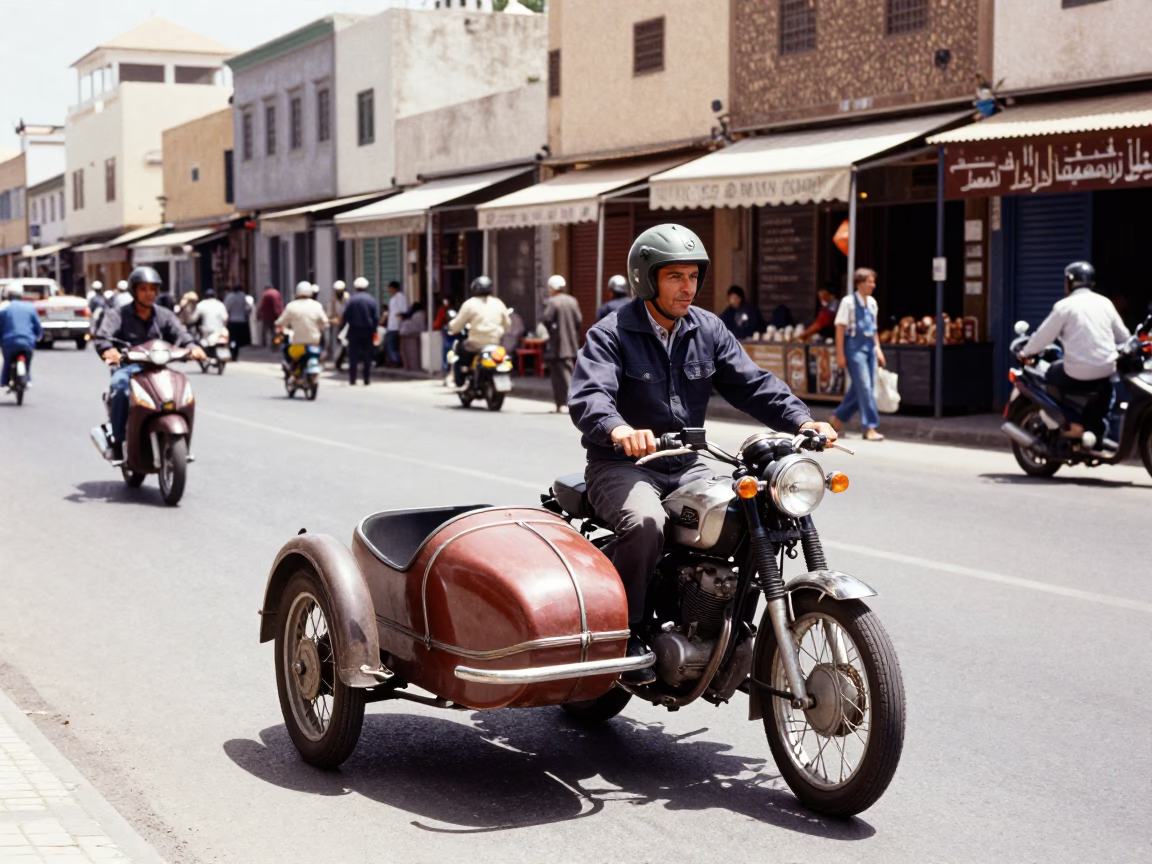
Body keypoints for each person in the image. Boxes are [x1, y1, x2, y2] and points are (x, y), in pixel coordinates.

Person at [568, 224, 836, 684]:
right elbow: (590, 396)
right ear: (646, 279)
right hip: (623, 465)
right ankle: (625, 631)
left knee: (750, 509)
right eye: (674, 276)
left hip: (687, 463)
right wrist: (620, 429)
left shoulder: (707, 329)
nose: (687, 287)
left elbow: (752, 384)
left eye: (693, 276)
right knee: (646, 523)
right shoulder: (611, 332)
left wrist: (801, 420)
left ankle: (724, 626)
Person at [92, 267, 206, 461]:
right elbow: (103, 337)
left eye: (153, 289)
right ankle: (118, 441)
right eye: (144, 289)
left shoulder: (164, 315)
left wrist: (192, 346)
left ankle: (182, 442)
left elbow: (181, 333)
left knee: (182, 388)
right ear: (134, 291)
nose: (149, 293)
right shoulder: (118, 314)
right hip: (129, 368)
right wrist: (109, 350)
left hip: (158, 368)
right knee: (120, 388)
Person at [1020, 261, 1130, 444]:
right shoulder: (1105, 303)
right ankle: (1095, 428)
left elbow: (1042, 338)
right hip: (1105, 370)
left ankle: (1069, 423)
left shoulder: (1064, 306)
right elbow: (1123, 336)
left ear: (1069, 283)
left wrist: (1025, 353)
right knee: (1106, 389)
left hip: (1074, 373)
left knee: (1047, 374)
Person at [831, 268, 886, 441]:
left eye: (873, 281)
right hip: (854, 347)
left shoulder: (872, 303)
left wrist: (878, 349)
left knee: (860, 389)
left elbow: (874, 329)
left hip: (869, 346)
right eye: (869, 281)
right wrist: (840, 354)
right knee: (865, 386)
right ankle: (869, 426)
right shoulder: (848, 303)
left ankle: (837, 418)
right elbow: (840, 329)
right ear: (860, 283)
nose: (873, 285)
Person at [447, 276, 511, 388]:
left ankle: (460, 379)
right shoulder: (498, 303)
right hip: (495, 343)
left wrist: (451, 327)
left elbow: (457, 324)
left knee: (458, 349)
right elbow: (507, 325)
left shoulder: (470, 304)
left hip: (475, 344)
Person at [541, 274, 582, 412]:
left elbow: (546, 319)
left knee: (561, 377)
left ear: (552, 288)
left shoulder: (553, 302)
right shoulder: (572, 301)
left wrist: (553, 332)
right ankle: (561, 404)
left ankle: (566, 403)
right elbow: (579, 321)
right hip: (571, 345)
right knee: (565, 374)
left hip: (557, 346)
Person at [0, 285, 42, 388]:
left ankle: (4, 381)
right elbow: (38, 326)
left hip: (9, 342)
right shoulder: (30, 308)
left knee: (7, 361)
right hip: (27, 341)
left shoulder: (5, 309)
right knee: (27, 361)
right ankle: (27, 379)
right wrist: (38, 336)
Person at [341, 277, 380, 386]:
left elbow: (345, 315)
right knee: (367, 355)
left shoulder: (351, 300)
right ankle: (366, 379)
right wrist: (374, 330)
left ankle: (352, 379)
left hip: (354, 330)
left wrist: (346, 326)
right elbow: (376, 317)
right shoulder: (371, 300)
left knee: (353, 355)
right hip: (368, 331)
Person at [382, 281, 408, 367]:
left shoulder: (400, 297)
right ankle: (394, 360)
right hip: (391, 325)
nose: (388, 290)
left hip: (396, 325)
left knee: (391, 345)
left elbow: (403, 310)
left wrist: (398, 316)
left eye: (389, 288)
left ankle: (397, 361)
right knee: (391, 345)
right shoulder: (393, 299)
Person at [224, 285, 252, 360]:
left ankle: (232, 352)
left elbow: (226, 308)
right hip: (241, 321)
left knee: (232, 338)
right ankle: (235, 353)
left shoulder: (229, 297)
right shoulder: (243, 296)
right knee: (238, 340)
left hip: (232, 321)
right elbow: (248, 308)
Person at [398, 301, 427, 370]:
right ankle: (411, 366)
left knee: (406, 352)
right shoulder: (422, 314)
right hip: (414, 334)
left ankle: (408, 366)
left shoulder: (417, 315)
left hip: (410, 334)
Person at [327, 280, 349, 368]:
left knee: (345, 343)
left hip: (347, 325)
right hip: (336, 325)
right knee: (337, 344)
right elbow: (329, 314)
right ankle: (338, 360)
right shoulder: (333, 301)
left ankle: (341, 359)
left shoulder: (348, 298)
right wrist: (333, 320)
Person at [257, 284, 283, 348]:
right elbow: (280, 304)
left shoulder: (265, 294)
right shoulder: (277, 293)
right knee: (275, 330)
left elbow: (261, 305)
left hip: (266, 316)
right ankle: (275, 343)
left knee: (264, 330)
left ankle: (264, 344)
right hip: (276, 315)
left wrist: (258, 314)